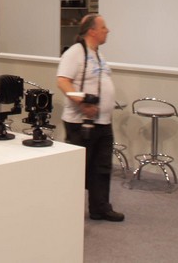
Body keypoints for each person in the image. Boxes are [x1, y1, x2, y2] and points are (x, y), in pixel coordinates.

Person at [57, 14, 124, 222]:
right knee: (79, 170)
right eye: (104, 27)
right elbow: (63, 81)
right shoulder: (75, 53)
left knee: (101, 167)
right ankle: (69, 213)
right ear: (92, 31)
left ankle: (100, 208)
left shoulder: (98, 54)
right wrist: (82, 103)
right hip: (81, 123)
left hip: (103, 121)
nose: (108, 30)